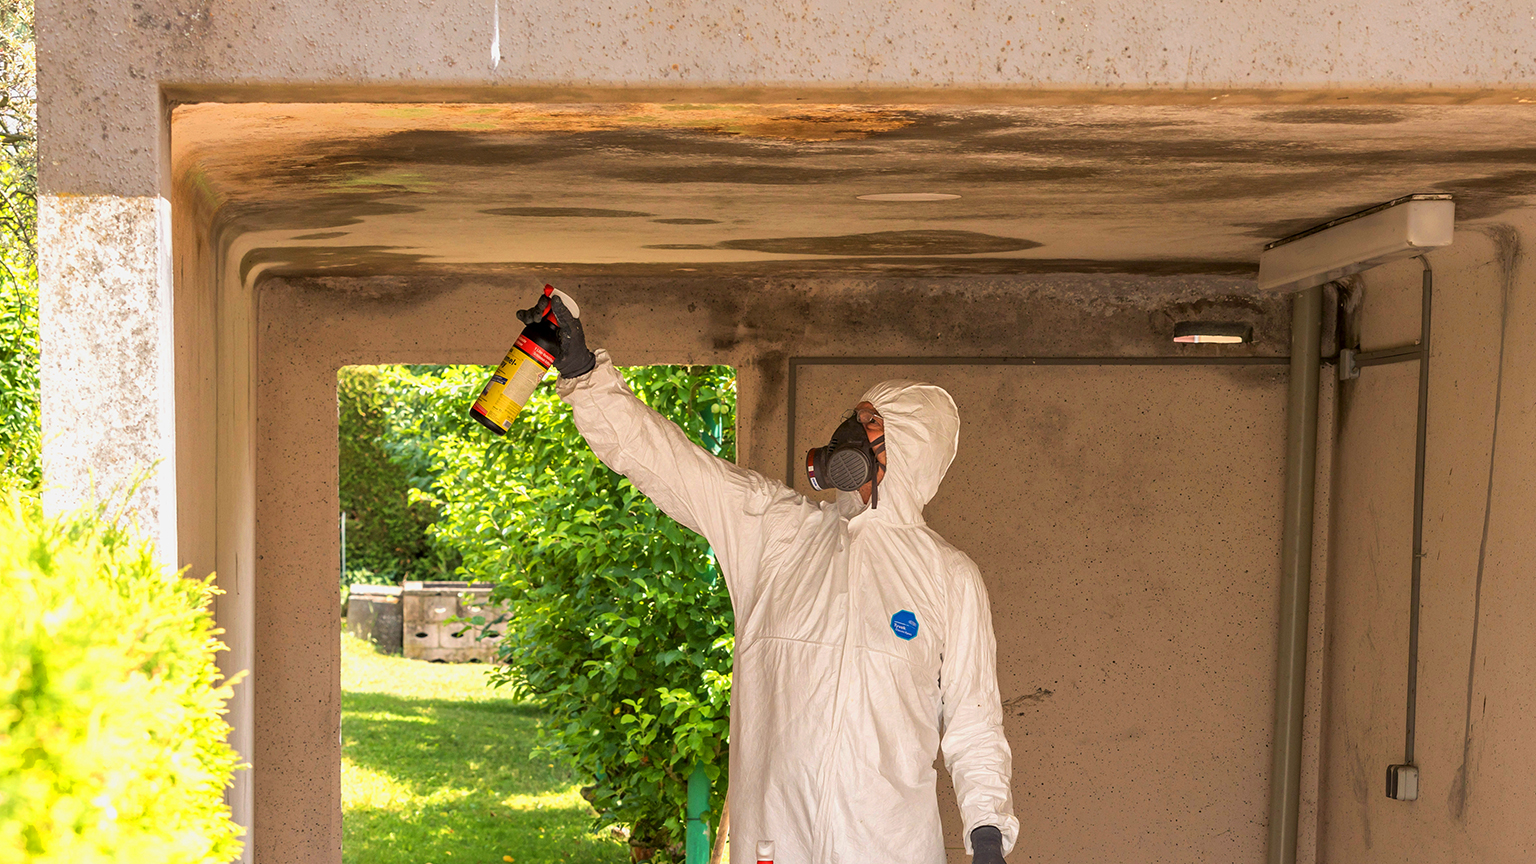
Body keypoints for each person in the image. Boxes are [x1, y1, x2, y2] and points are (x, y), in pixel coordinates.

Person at [519, 293, 1018, 864]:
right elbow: (668, 462)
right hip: (776, 842)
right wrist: (584, 374)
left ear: (908, 448)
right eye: (852, 421)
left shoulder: (948, 577)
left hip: (887, 846)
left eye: (867, 425)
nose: (846, 436)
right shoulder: (777, 533)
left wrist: (987, 836)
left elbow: (975, 722)